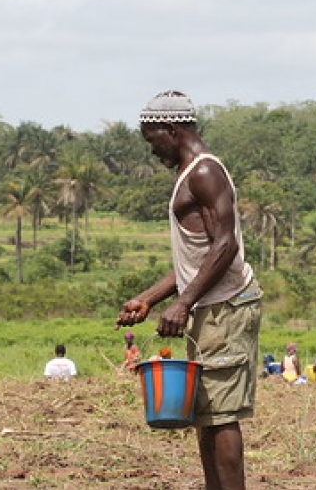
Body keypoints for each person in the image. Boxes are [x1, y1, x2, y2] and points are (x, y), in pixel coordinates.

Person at [116, 90, 262, 490]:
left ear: (172, 129)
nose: (152, 151)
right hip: (209, 306)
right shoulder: (190, 173)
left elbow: (225, 246)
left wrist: (183, 303)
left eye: (153, 141)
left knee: (221, 416)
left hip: (226, 306)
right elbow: (196, 261)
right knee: (206, 416)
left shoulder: (204, 172)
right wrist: (149, 299)